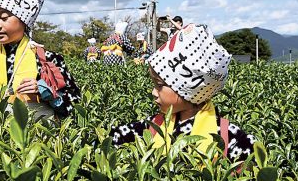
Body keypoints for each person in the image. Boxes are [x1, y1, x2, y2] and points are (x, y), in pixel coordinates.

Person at [109, 24, 255, 162]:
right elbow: (111, 139)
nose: (153, 92)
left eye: (160, 85)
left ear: (189, 89)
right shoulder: (152, 126)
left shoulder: (229, 138)